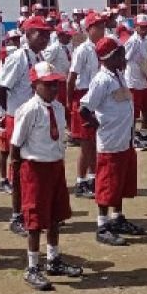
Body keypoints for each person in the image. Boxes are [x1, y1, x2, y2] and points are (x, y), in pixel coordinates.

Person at [10, 62, 83, 291]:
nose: (53, 89)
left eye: (55, 84)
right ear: (35, 85)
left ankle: (53, 259)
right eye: (48, 84)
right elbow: (16, 144)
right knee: (34, 219)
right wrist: (18, 172)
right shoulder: (29, 110)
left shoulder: (59, 108)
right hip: (35, 168)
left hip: (55, 167)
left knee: (54, 216)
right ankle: (32, 266)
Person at [80, 38, 146, 247]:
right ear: (109, 57)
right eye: (119, 54)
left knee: (120, 181)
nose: (123, 57)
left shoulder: (117, 75)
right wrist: (100, 125)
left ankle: (117, 218)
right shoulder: (101, 80)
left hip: (124, 138)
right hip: (110, 140)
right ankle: (102, 224)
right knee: (107, 181)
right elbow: (85, 109)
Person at [0, 15, 50, 236]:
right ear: (27, 35)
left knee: (35, 166)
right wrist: (10, 113)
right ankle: (17, 216)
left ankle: (33, 211)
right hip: (17, 119)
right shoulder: (18, 58)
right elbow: (0, 89)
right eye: (40, 33)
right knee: (17, 168)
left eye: (47, 34)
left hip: (35, 118)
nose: (45, 38)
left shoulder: (40, 57)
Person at [67, 11, 105, 198]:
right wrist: (69, 102)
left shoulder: (101, 48)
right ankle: (82, 180)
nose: (102, 30)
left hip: (95, 97)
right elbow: (72, 77)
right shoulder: (83, 49)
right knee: (85, 142)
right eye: (98, 27)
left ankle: (91, 177)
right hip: (82, 96)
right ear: (89, 29)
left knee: (92, 141)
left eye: (103, 26)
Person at [125, 15, 147, 149]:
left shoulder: (145, 40)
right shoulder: (132, 42)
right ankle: (132, 138)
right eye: (142, 27)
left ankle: (144, 133)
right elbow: (125, 59)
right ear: (136, 27)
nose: (145, 29)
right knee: (133, 112)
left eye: (146, 27)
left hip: (144, 79)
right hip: (133, 81)